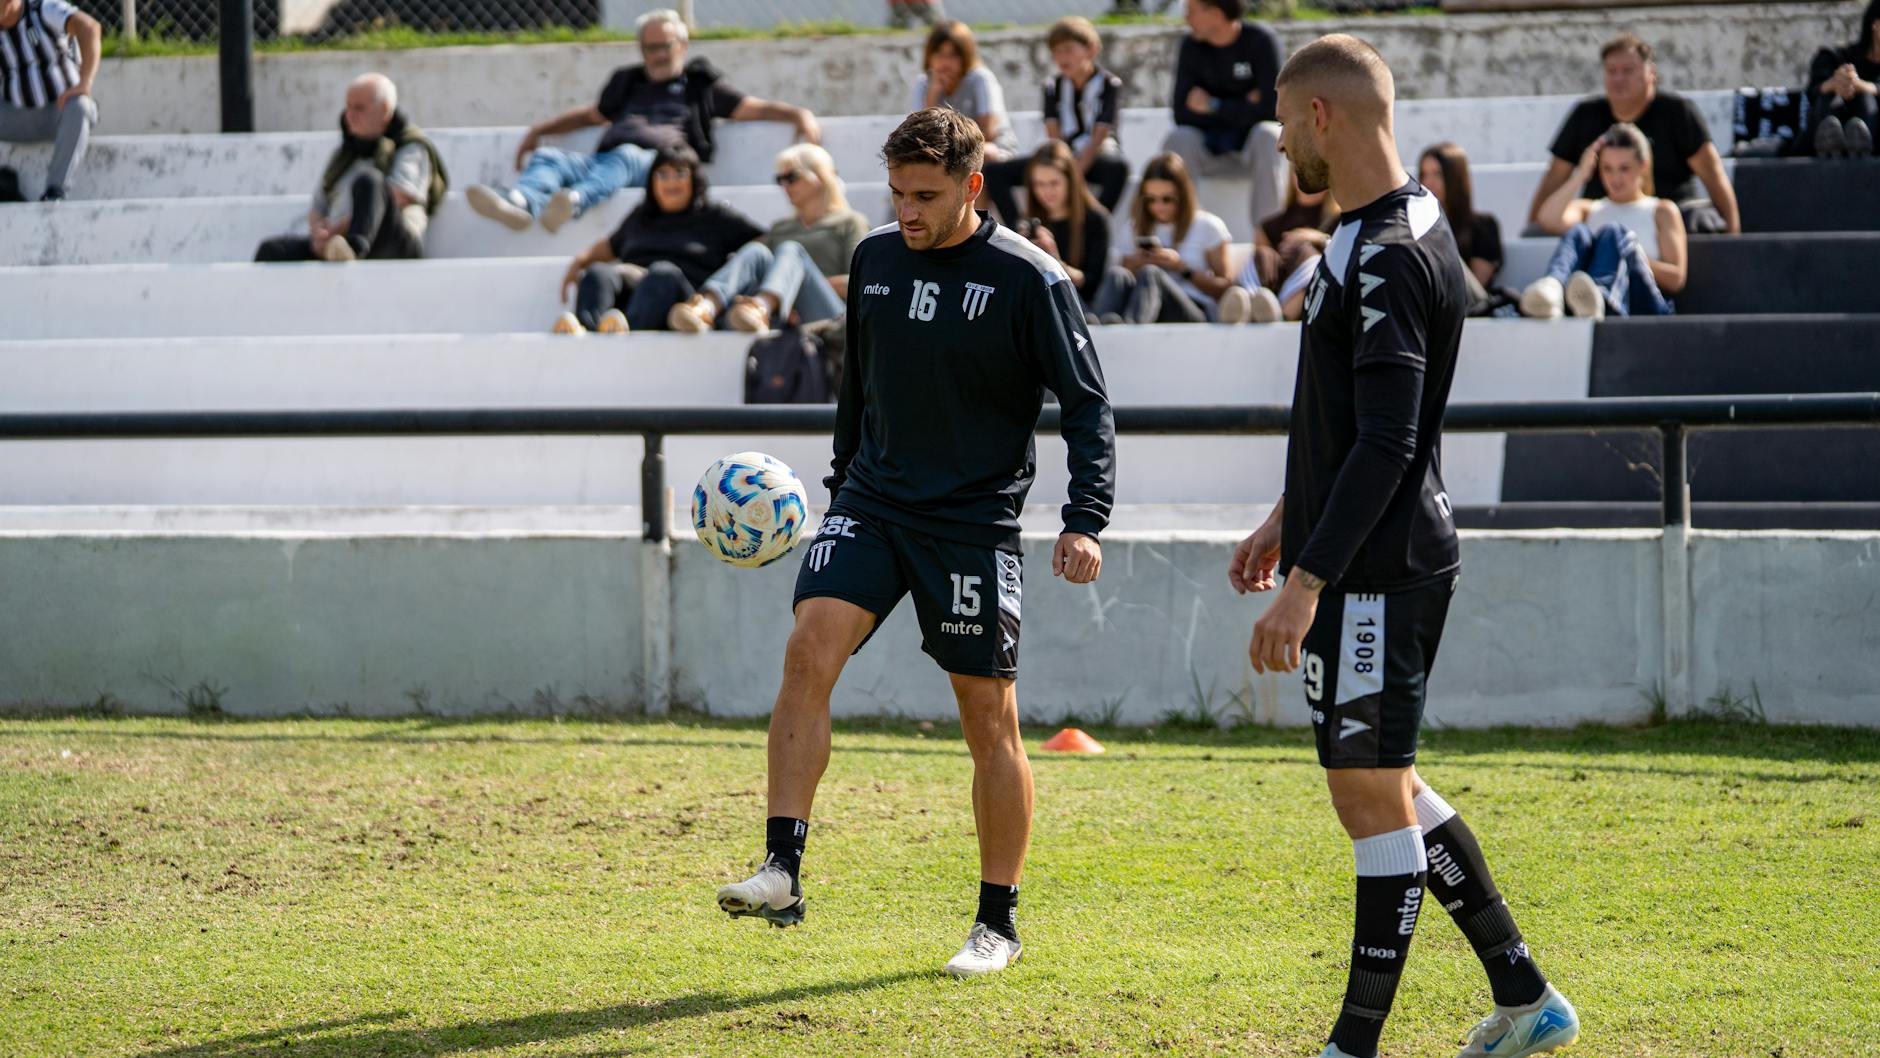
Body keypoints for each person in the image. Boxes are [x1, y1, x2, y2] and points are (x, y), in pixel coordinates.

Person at [1232, 35, 1579, 1058]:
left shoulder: (1383, 253)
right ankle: (1524, 994)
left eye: (1286, 119)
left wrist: (1306, 580)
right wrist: (1285, 513)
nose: (1281, 137)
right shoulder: (1402, 216)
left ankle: (1352, 1043)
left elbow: (1388, 437)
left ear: (1322, 119)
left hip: (1376, 568)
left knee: (1365, 794)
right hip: (1367, 548)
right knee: (1389, 783)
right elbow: (1358, 421)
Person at [713, 107, 1114, 979]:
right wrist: (841, 482)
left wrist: (1086, 516)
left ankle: (997, 922)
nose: (907, 211)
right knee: (806, 652)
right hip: (871, 501)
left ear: (973, 186)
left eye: (926, 195)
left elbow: (1087, 403)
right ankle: (782, 866)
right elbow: (858, 381)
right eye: (895, 192)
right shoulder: (875, 257)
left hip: (971, 524)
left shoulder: (1030, 279)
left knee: (987, 718)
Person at [467, 8, 819, 232]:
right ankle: (522, 203)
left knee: (627, 155)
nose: (659, 55)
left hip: (657, 164)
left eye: (665, 46)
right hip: (604, 160)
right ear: (641, 50)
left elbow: (752, 108)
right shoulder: (628, 81)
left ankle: (573, 202)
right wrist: (539, 131)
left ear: (681, 45)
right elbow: (592, 115)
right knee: (550, 158)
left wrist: (799, 115)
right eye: (651, 48)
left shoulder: (699, 84)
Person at [1526, 34, 1738, 235]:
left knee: (1699, 220)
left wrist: (1733, 236)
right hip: (1604, 219)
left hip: (1668, 220)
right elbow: (1554, 178)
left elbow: (1714, 177)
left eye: (1628, 70)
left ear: (1651, 74)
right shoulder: (1585, 114)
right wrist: (1532, 228)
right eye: (1611, 71)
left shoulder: (1678, 112)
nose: (1619, 78)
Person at [551, 144, 763, 335]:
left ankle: (630, 336)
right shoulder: (641, 216)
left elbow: (761, 244)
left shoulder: (715, 216)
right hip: (633, 292)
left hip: (680, 303)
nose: (671, 182)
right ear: (652, 180)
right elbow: (610, 246)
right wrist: (579, 262)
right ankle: (589, 333)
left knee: (663, 273)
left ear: (694, 179)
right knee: (598, 272)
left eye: (680, 173)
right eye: (663, 174)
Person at [667, 143, 871, 334]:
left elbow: (863, 281)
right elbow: (754, 267)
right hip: (785, 315)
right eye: (779, 179)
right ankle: (704, 307)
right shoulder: (781, 227)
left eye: (791, 177)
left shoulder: (850, 222)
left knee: (791, 250)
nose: (785, 186)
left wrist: (796, 286)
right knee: (755, 251)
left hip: (834, 318)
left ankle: (761, 308)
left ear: (819, 177)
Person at [254, 74, 447, 263]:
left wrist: (339, 230)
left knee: (369, 181)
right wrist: (321, 236)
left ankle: (354, 249)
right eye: (348, 107)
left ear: (385, 110)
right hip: (336, 243)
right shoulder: (343, 155)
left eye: (360, 108)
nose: (350, 115)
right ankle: (343, 252)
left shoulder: (410, 146)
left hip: (393, 243)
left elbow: (401, 196)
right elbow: (318, 208)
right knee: (271, 251)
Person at [1522, 123, 1684, 320]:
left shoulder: (1662, 210)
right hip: (1589, 308)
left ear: (1644, 166)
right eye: (1607, 168)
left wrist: (1628, 255)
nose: (1615, 178)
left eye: (1624, 168)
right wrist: (1580, 175)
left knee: (1613, 233)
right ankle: (1553, 285)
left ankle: (1600, 294)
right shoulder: (1590, 209)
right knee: (1579, 232)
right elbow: (1547, 218)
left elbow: (1676, 278)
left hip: (1645, 305)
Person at [982, 16, 1130, 222]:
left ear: (1091, 49)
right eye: (1056, 51)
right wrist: (1060, 168)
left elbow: (1100, 135)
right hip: (1061, 158)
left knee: (1118, 169)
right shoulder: (1053, 86)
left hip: (1095, 156)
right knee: (995, 171)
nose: (1061, 57)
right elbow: (1053, 133)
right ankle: (1021, 232)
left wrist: (1074, 173)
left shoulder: (1109, 84)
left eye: (1068, 49)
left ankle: (1094, 224)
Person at [1159, 0, 1288, 235]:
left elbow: (1273, 110)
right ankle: (1180, 235)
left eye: (1191, 12)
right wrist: (1244, 105)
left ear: (1216, 14)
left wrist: (1213, 105)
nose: (1186, 19)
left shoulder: (1260, 41)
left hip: (1251, 151)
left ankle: (1268, 237)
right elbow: (1181, 113)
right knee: (1179, 138)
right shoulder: (1190, 45)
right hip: (1208, 149)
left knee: (1268, 134)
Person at [1088, 151, 1235, 324]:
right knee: (1117, 274)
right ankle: (1094, 330)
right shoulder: (1133, 227)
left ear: (1183, 196)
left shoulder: (1208, 225)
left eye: (1167, 199)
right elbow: (1122, 278)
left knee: (1151, 274)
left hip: (1192, 311)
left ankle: (1130, 329)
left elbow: (1226, 288)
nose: (1158, 207)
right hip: (1145, 308)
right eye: (1151, 200)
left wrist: (1182, 268)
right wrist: (1134, 263)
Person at [0, 0, 99, 201]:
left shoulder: (44, 8)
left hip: (60, 113)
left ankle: (55, 191)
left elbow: (89, 27)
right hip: (15, 117)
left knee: (80, 106)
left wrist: (84, 83)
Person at [912, 21, 1019, 167]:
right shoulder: (924, 84)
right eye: (939, 54)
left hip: (992, 150)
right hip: (945, 154)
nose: (945, 62)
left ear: (965, 57)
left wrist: (953, 151)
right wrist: (932, 95)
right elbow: (920, 136)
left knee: (980, 157)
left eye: (953, 55)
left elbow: (987, 132)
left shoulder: (980, 79)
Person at [1018, 141, 1112, 306]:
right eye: (1039, 184)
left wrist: (1055, 262)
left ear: (1070, 181)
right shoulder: (1029, 223)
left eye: (1054, 183)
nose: (1046, 192)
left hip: (1087, 306)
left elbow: (1093, 283)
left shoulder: (1096, 219)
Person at [1418, 143, 1501, 289]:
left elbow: (1476, 286)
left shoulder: (1483, 225)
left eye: (1438, 174)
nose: (1427, 182)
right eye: (1424, 174)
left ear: (1455, 177)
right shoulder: (1416, 224)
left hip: (1467, 304)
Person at [1808, 0, 1880, 157]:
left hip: (1875, 140)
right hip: (1829, 121)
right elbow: (1813, 90)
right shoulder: (1838, 56)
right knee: (1828, 98)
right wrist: (1836, 83)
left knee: (1866, 99)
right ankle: (1829, 144)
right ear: (1875, 24)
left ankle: (1861, 145)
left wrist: (1859, 85)